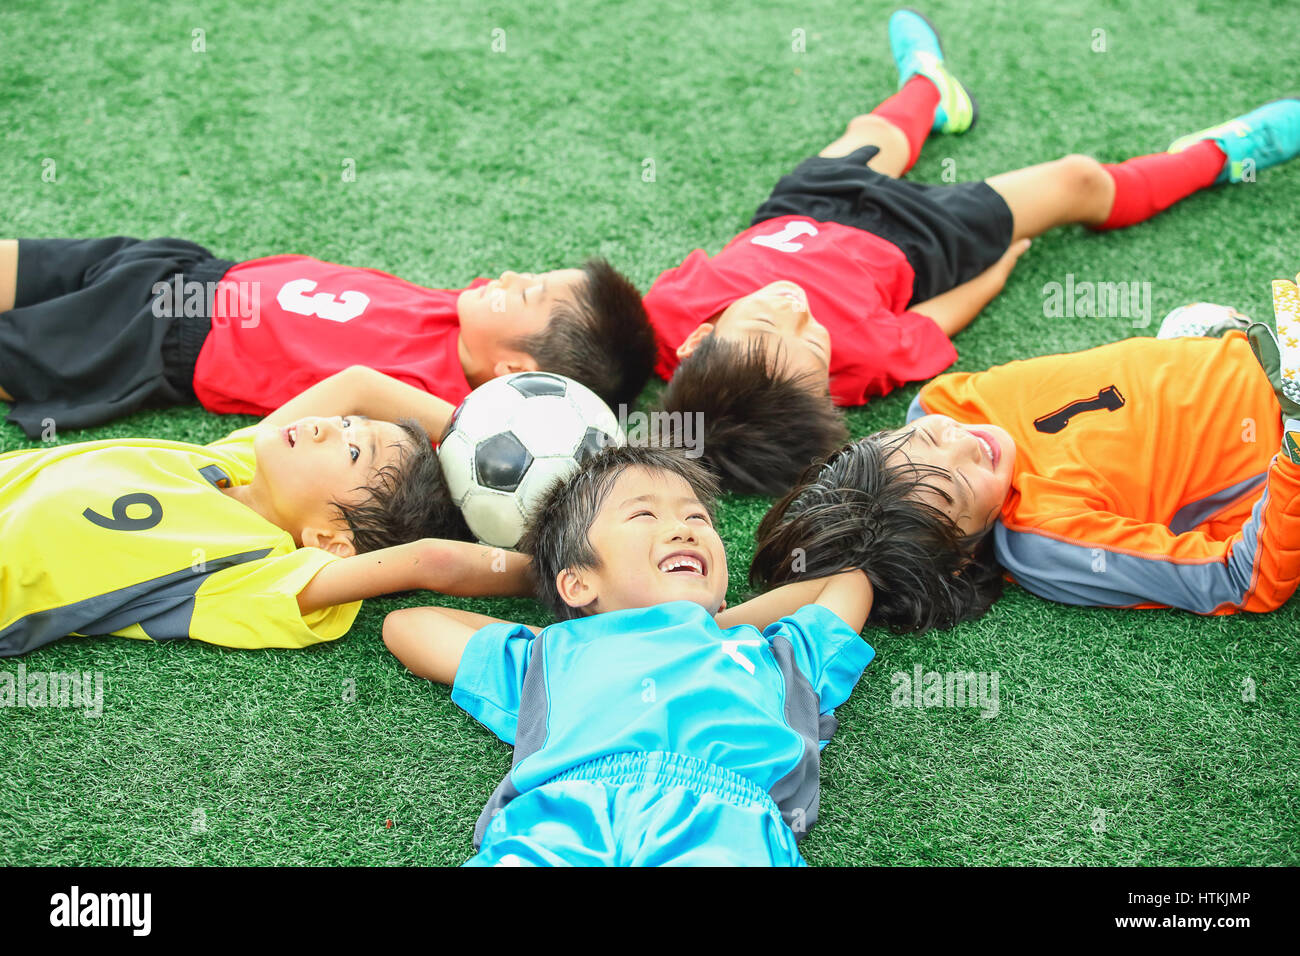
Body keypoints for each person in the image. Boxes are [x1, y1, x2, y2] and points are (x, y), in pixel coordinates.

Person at [647, 7, 1300, 495]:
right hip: (922, 235)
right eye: (810, 339)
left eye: (766, 320)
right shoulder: (859, 361)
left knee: (874, 129)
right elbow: (937, 319)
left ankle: (932, 88)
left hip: (802, 203)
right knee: (1077, 178)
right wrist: (1002, 261)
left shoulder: (667, 314)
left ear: (696, 342)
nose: (795, 307)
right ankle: (1217, 155)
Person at [383, 445, 875, 866]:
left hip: (728, 823)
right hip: (557, 819)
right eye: (644, 514)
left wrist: (704, 625)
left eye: (696, 516)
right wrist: (588, 634)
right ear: (577, 582)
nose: (684, 529)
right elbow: (410, 625)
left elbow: (846, 582)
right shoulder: (552, 660)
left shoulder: (776, 657)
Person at [750, 277, 1300, 632]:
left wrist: (1177, 359)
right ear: (963, 553)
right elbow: (1240, 577)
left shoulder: (944, 402)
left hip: (1258, 345)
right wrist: (1293, 449)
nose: (963, 441)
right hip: (1281, 432)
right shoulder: (1044, 542)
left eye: (919, 438)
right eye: (959, 485)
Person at [0, 364, 533, 657]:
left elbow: (427, 562)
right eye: (350, 425)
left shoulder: (256, 570)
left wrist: (568, 566)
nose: (328, 425)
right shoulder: (232, 463)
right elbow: (360, 384)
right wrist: (483, 442)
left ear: (330, 540)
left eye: (351, 452)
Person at [0, 237, 654, 437]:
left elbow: (481, 440)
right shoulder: (461, 315)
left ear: (514, 370)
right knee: (30, 264)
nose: (512, 273)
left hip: (158, 336)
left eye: (530, 294)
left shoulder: (437, 404)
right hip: (183, 268)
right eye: (534, 273)